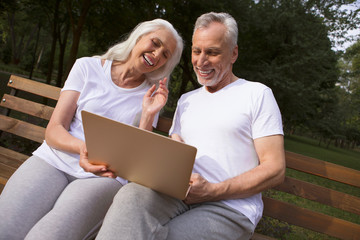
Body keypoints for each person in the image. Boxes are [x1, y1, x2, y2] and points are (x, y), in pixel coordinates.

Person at [96, 12, 285, 240]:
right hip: (178, 194)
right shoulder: (187, 100)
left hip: (228, 207)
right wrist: (150, 117)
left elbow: (275, 169)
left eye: (212, 52)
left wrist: (214, 191)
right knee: (130, 196)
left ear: (233, 53)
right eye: (197, 51)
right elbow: (175, 149)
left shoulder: (257, 94)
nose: (201, 61)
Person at [0, 19, 183, 240]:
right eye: (155, 43)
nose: (157, 54)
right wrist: (84, 149)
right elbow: (54, 129)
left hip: (103, 177)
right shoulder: (87, 67)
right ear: (138, 37)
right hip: (54, 160)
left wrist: (148, 114)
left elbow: (137, 162)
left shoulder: (151, 95)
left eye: (165, 54)